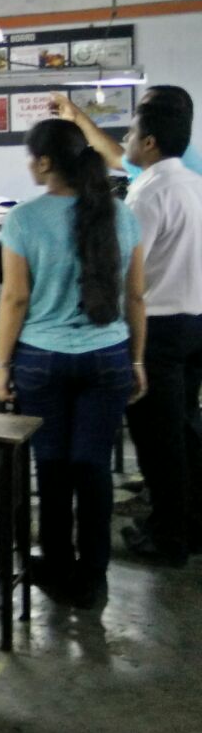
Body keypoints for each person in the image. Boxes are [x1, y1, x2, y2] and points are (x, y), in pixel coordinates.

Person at [0, 118, 145, 609]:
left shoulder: (23, 219)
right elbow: (135, 297)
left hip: (42, 360)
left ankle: (57, 563)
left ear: (44, 162)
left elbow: (15, 299)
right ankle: (93, 574)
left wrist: (1, 366)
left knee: (53, 466)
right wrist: (137, 360)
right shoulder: (120, 214)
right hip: (108, 357)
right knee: (93, 467)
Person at [117, 98, 202, 565]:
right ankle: (190, 526)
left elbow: (130, 276)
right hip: (197, 321)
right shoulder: (195, 184)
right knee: (186, 430)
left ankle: (167, 537)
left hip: (161, 329)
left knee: (157, 438)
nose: (125, 140)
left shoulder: (147, 193)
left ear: (149, 142)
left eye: (130, 133)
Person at [53, 85, 202, 178]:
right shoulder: (166, 153)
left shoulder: (170, 169)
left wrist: (77, 117)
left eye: (142, 110)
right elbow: (116, 159)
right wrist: (76, 117)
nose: (136, 115)